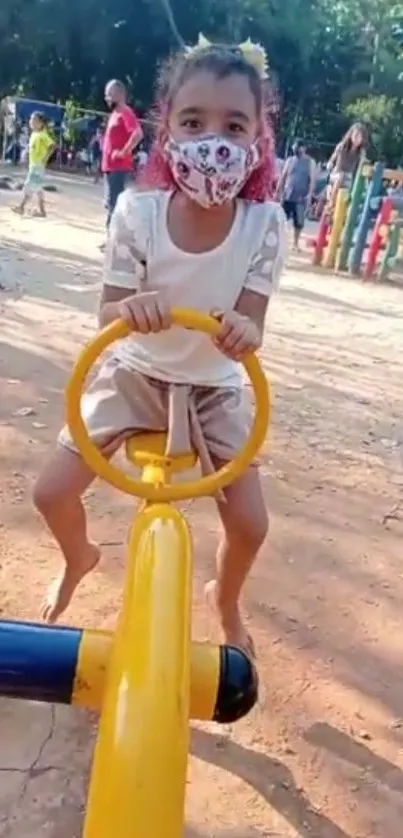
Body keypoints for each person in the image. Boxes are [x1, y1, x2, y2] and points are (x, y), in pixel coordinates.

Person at [33, 37, 286, 657]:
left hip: (216, 387)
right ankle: (79, 557)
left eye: (234, 124)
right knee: (51, 492)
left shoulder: (264, 225)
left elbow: (250, 323)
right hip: (135, 371)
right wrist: (132, 309)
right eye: (194, 122)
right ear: (167, 127)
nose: (213, 141)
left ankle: (224, 600)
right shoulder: (137, 212)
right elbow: (109, 312)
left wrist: (244, 329)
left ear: (257, 138)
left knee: (251, 524)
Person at [102, 80, 143, 229]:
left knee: (114, 204)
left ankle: (113, 239)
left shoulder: (125, 112)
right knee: (110, 203)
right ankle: (111, 237)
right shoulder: (115, 113)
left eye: (109, 94)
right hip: (110, 167)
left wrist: (124, 151)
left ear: (120, 94)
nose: (107, 98)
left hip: (118, 167)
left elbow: (137, 134)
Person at [13, 112, 55, 217]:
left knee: (29, 186)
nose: (31, 122)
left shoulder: (43, 135)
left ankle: (21, 207)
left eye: (34, 120)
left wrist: (45, 158)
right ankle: (42, 211)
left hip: (37, 166)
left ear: (41, 123)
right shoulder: (34, 134)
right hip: (34, 165)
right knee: (37, 188)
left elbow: (52, 146)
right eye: (31, 120)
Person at [276, 140, 315, 251]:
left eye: (299, 147)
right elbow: (283, 177)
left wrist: (309, 195)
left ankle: (295, 244)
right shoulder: (290, 160)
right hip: (287, 195)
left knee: (298, 223)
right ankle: (279, 242)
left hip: (301, 197)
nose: (296, 149)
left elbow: (312, 180)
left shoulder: (310, 162)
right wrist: (278, 192)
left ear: (304, 148)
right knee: (281, 220)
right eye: (295, 147)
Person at [326, 122, 368, 212]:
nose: (357, 139)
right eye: (356, 135)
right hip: (336, 174)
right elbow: (332, 159)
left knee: (352, 184)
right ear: (351, 135)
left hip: (348, 177)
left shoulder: (361, 152)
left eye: (360, 137)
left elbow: (361, 165)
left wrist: (363, 160)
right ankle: (331, 204)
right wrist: (329, 164)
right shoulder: (342, 146)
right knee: (340, 177)